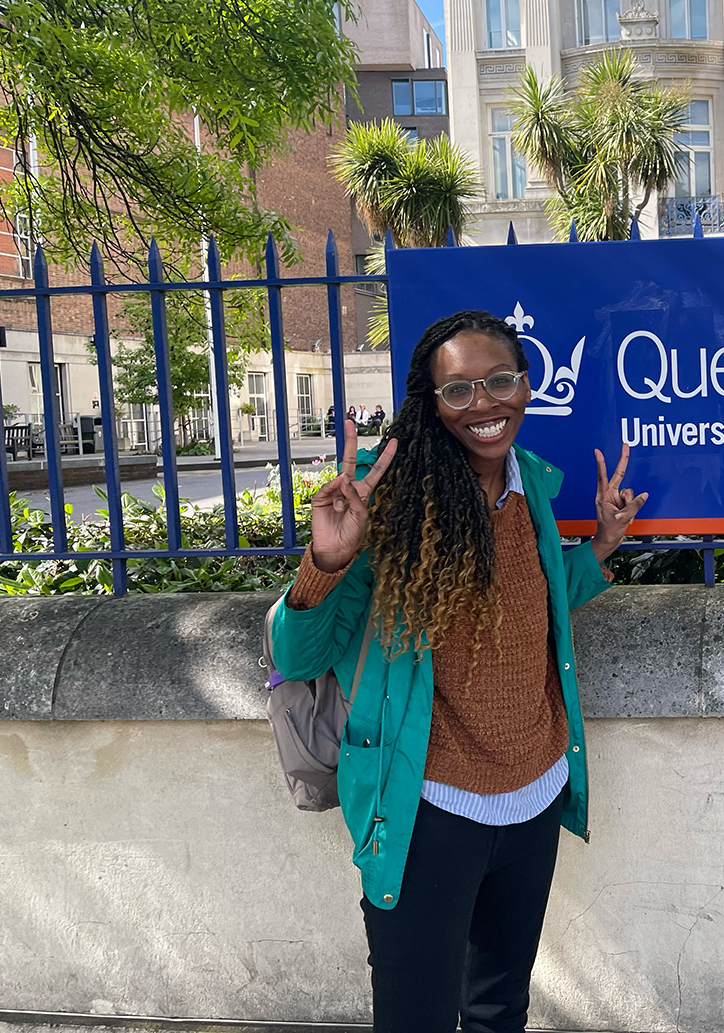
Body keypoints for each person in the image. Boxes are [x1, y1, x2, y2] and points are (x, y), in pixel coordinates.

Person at [270, 309, 647, 1032]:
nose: (485, 404)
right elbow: (298, 657)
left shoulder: (529, 485)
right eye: (459, 390)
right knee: (415, 1018)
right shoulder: (387, 514)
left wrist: (599, 547)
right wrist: (326, 561)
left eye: (500, 380)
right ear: (431, 402)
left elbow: (532, 604)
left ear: (525, 385)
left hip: (533, 798)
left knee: (499, 1009)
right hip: (429, 812)